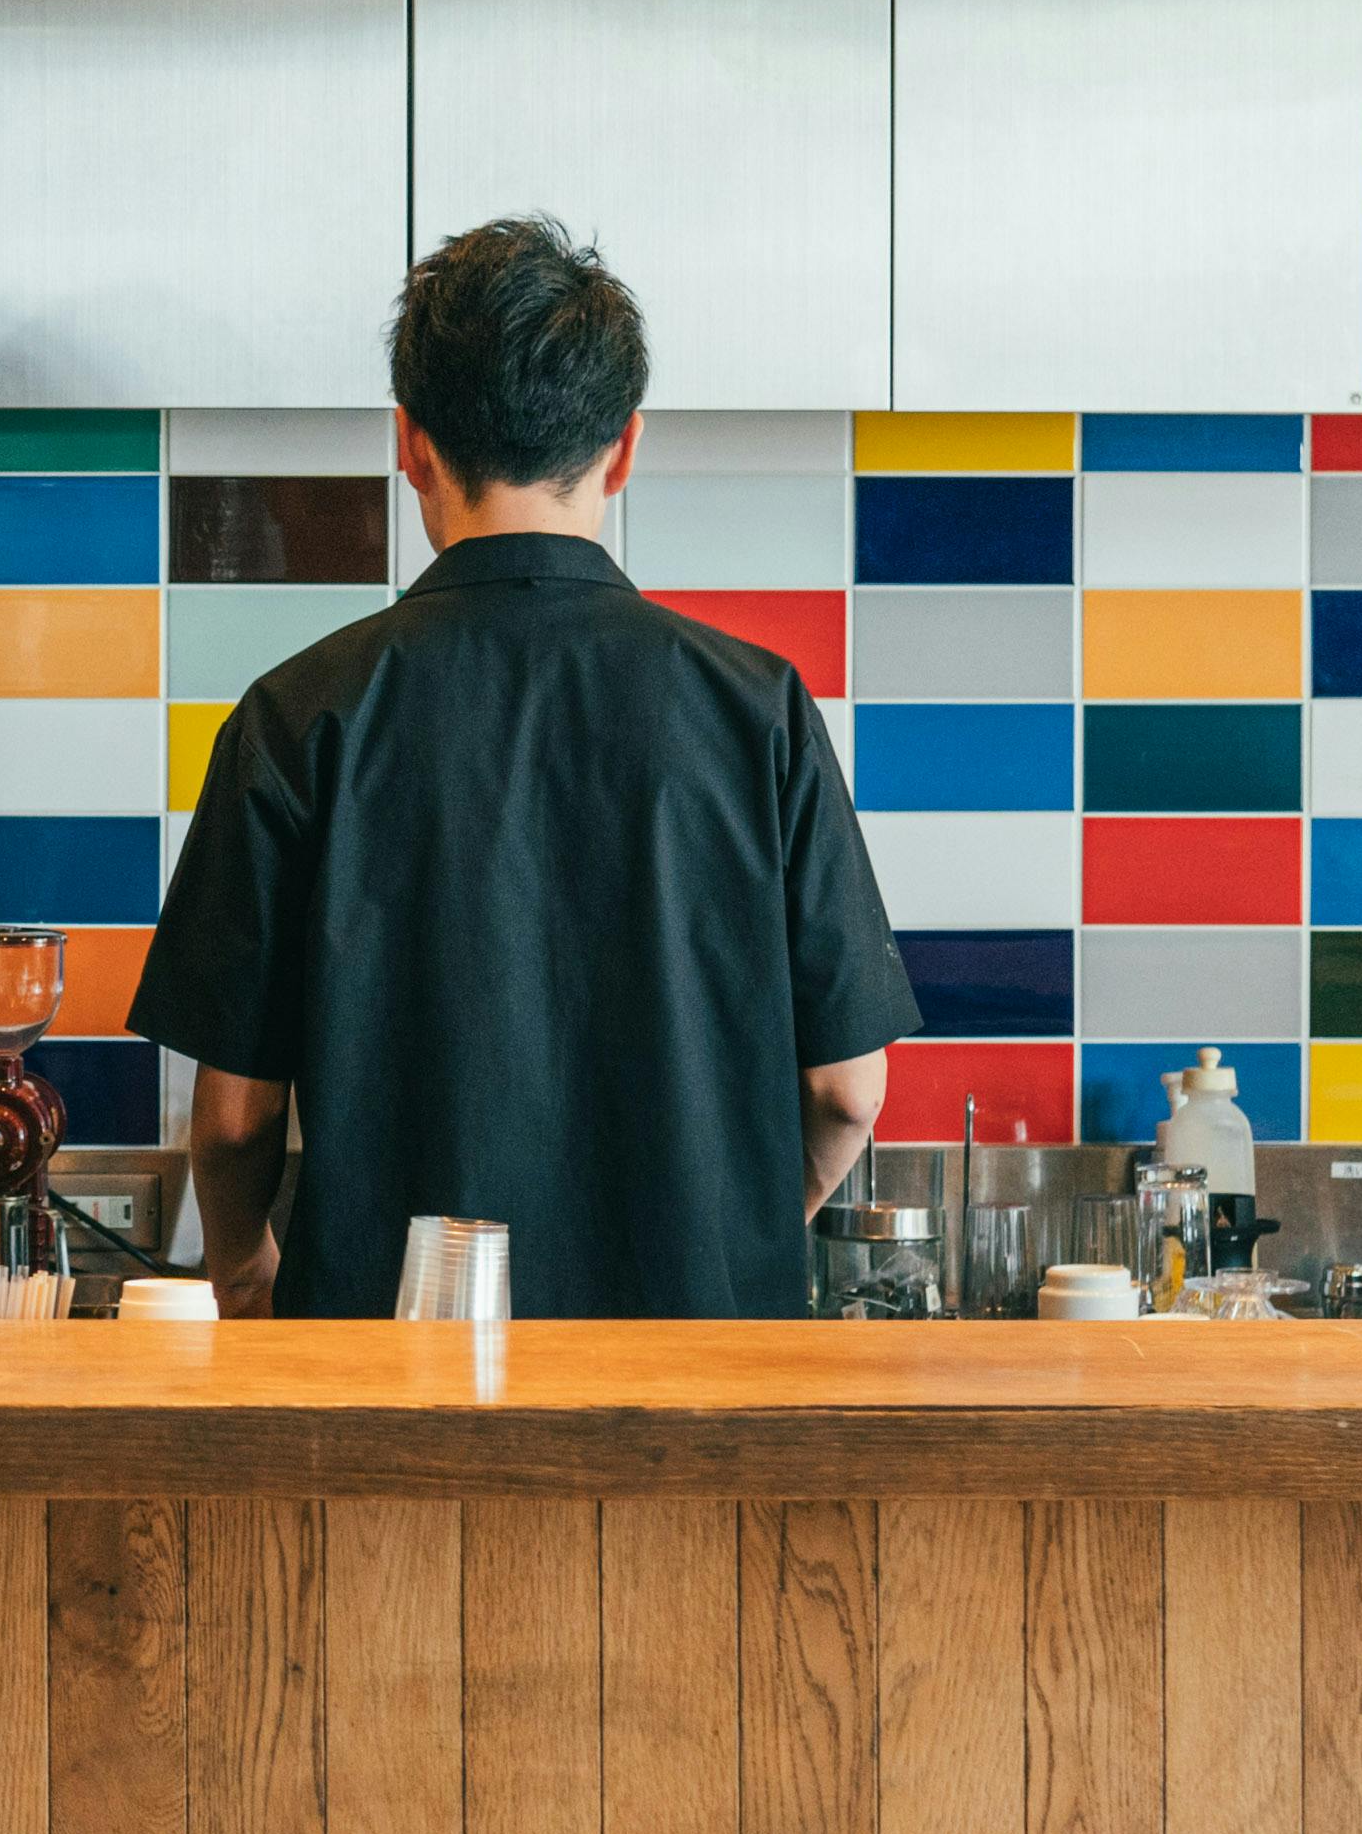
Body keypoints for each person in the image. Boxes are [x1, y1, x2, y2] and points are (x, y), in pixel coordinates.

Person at [134, 216, 918, 1319]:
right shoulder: (759, 712)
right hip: (697, 1383)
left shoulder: (297, 716)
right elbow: (845, 1090)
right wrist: (733, 1236)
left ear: (409, 443)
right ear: (624, 447)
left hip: (385, 1374)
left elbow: (235, 1120)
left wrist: (241, 1270)